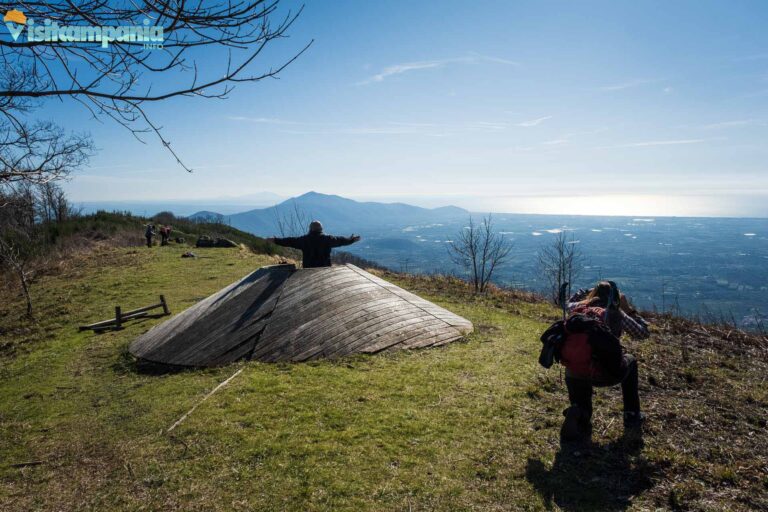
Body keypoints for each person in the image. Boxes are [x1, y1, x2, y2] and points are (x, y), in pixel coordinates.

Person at [559, 281, 650, 442]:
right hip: (604, 373)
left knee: (583, 407)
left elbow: (565, 302)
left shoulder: (578, 308)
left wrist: (582, 292)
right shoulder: (615, 313)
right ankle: (632, 415)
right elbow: (643, 333)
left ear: (594, 294)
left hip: (574, 371)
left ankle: (578, 412)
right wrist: (630, 311)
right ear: (615, 298)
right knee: (631, 361)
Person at [268, 221, 361, 268]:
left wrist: (275, 240)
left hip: (308, 271)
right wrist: (351, 240)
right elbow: (341, 240)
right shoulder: (328, 239)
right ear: (321, 229)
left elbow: (289, 241)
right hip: (325, 270)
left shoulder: (304, 240)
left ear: (310, 229)